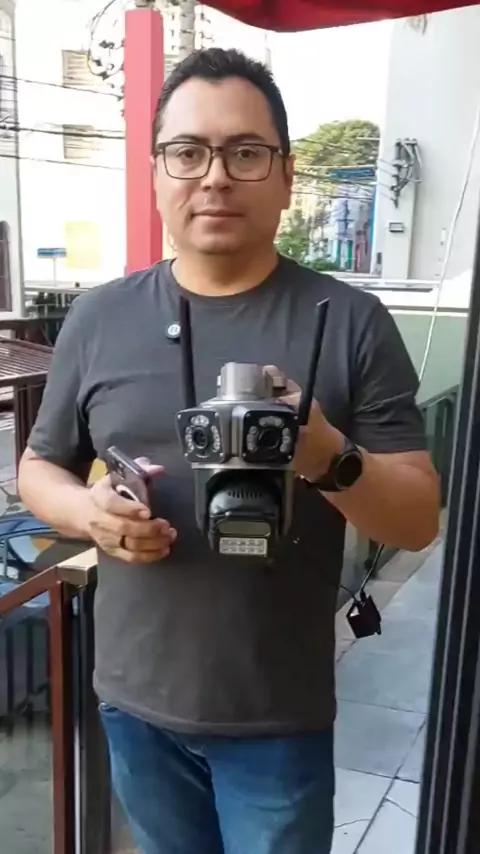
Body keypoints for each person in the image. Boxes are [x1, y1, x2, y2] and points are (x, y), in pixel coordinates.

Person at [18, 48, 440, 854]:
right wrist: (89, 515)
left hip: (277, 713)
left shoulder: (350, 322)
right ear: (156, 174)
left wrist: (326, 454)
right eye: (188, 152)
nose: (214, 177)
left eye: (246, 153)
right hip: (133, 699)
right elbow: (39, 467)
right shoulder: (98, 318)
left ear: (286, 177)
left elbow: (418, 518)